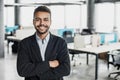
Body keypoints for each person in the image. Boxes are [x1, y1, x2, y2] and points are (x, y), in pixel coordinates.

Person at [17, 6, 70, 80]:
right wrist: (49, 64)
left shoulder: (60, 43)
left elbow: (66, 69)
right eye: (38, 19)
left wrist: (37, 74)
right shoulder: (24, 43)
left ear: (50, 22)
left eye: (46, 20)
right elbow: (22, 70)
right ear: (33, 22)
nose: (42, 23)